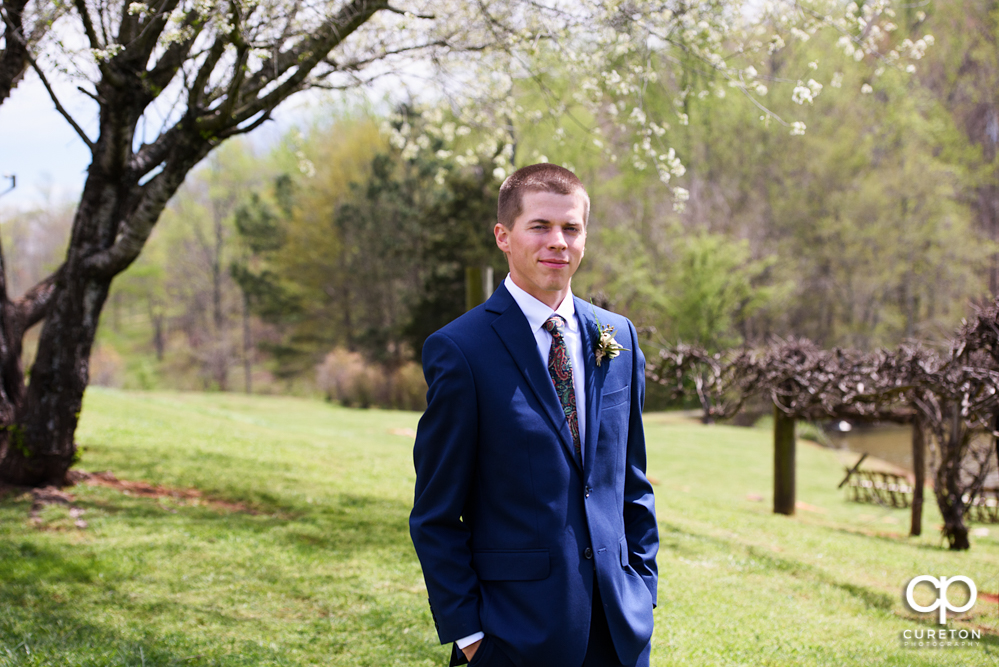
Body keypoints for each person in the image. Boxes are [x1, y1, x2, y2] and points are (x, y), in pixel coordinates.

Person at [409, 163, 658, 667]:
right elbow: (435, 515)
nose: (558, 242)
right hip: (511, 637)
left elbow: (631, 482)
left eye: (571, 228)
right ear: (504, 236)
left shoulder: (619, 337)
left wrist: (642, 589)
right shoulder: (460, 350)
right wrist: (470, 634)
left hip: (619, 632)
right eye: (540, 226)